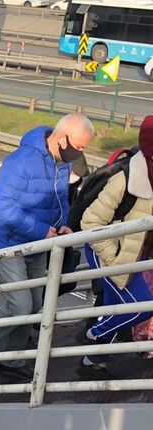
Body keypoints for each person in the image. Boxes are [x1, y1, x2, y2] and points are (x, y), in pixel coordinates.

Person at [0, 113, 94, 380]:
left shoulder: (62, 162)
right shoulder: (21, 161)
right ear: (62, 138)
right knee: (20, 306)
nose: (79, 153)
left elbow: (60, 198)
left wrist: (63, 223)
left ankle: (12, 362)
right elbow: (2, 208)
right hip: (9, 243)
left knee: (35, 303)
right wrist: (41, 230)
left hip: (38, 243)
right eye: (78, 147)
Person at [77, 115, 153, 379]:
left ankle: (91, 362)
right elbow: (90, 222)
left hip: (135, 254)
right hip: (108, 251)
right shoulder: (125, 178)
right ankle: (95, 333)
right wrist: (114, 260)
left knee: (114, 308)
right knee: (142, 305)